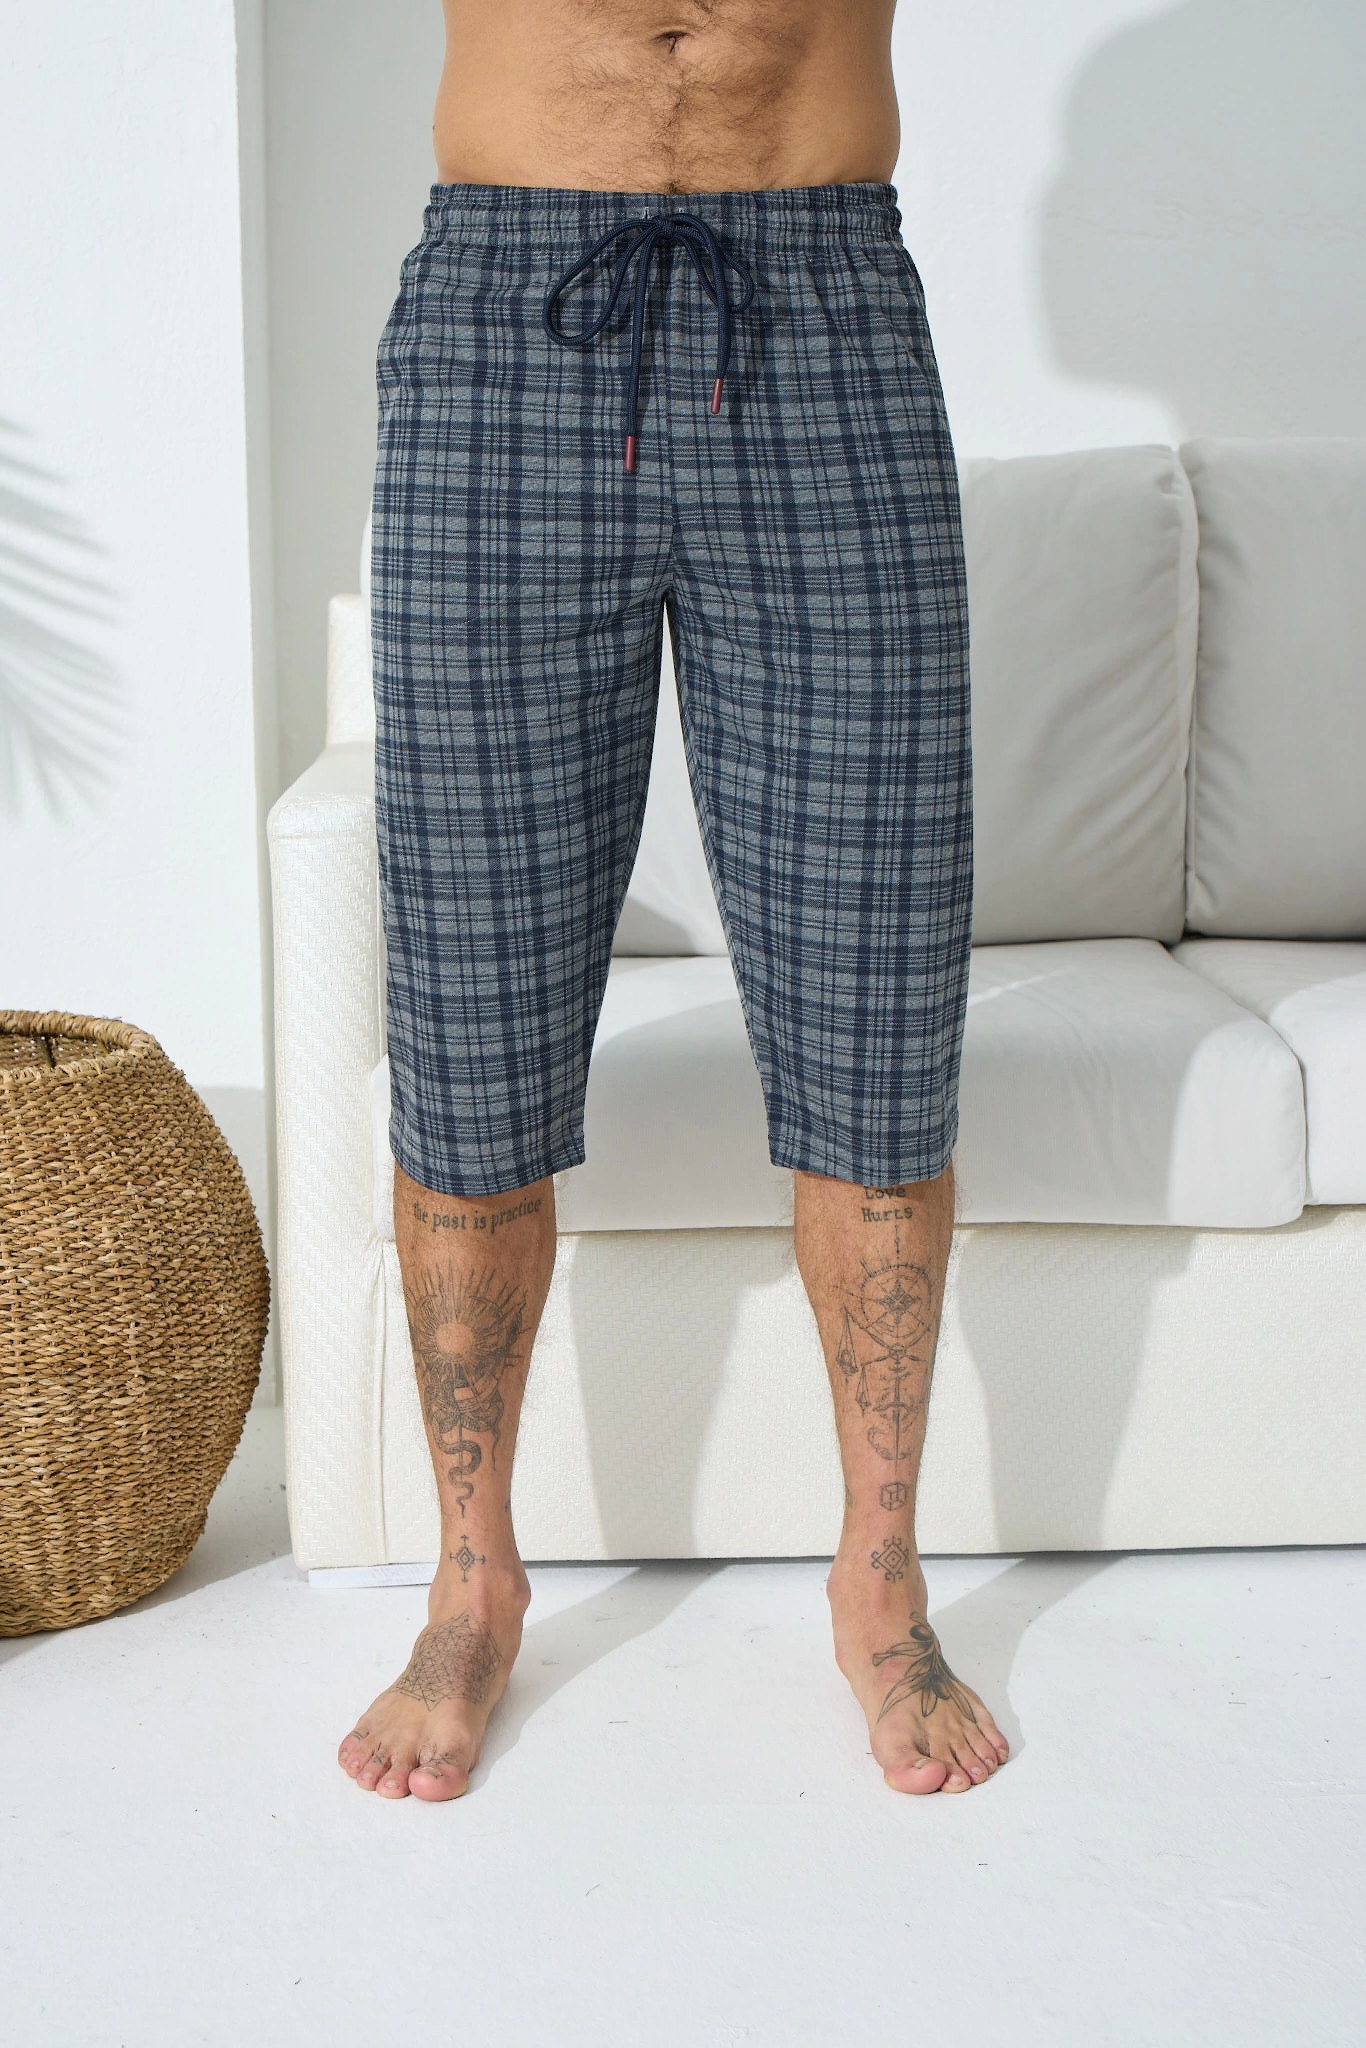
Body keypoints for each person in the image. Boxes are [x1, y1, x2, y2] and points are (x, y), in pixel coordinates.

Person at [338, 0, 1010, 1802]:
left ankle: (880, 1576)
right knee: (473, 1008)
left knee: (875, 996)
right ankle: (471, 1580)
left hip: (822, 316)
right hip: (510, 313)